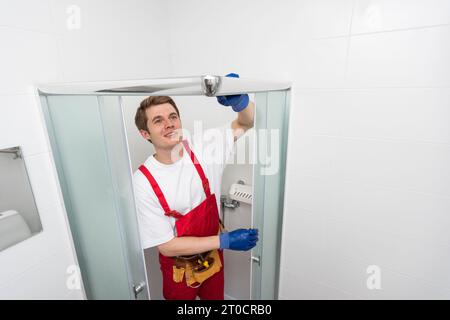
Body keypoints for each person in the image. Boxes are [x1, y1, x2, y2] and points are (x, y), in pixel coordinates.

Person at [132, 74, 259, 300]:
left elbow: (246, 122)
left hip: (214, 258)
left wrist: (240, 102)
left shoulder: (204, 147)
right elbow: (167, 247)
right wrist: (225, 240)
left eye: (173, 116)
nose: (169, 123)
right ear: (145, 134)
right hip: (179, 269)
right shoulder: (143, 181)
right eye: (158, 120)